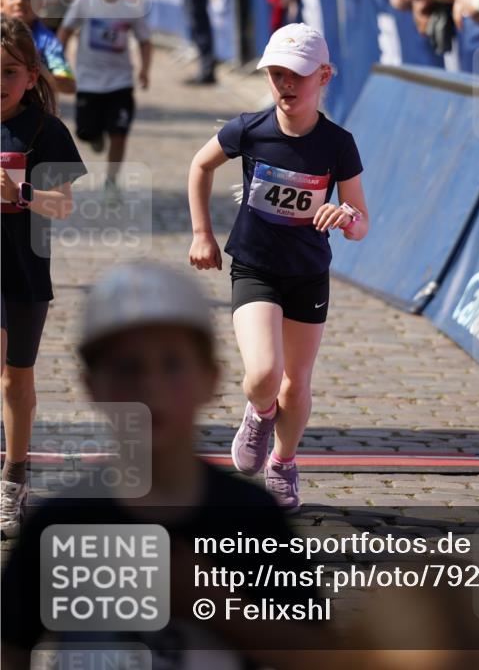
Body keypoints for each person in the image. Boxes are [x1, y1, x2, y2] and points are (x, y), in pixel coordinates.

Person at [1, 261, 332, 668]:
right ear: (92, 385)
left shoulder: (253, 519)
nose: (151, 389)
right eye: (128, 368)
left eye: (172, 364)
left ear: (210, 378)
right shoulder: (60, 524)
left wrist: (211, 604)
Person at [188, 24, 369, 511]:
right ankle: (258, 412)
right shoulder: (250, 128)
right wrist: (202, 233)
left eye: (298, 76)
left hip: (308, 273)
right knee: (265, 373)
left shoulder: (338, 144)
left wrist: (346, 218)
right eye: (277, 75)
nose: (286, 85)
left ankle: (284, 464)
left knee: (298, 380)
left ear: (324, 76)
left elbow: (360, 220)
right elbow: (200, 166)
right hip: (255, 266)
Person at [0, 16, 86, 538]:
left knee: (17, 380)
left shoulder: (45, 131)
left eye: (9, 72)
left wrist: (21, 195)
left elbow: (63, 207)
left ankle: (14, 479)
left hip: (25, 269)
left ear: (32, 76)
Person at [59, 0, 151, 204]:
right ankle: (95, 136)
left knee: (119, 132)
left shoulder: (132, 8)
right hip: (88, 82)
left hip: (120, 83)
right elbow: (64, 32)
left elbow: (145, 41)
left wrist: (144, 70)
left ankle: (111, 181)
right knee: (86, 132)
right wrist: (59, 65)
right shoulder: (84, 1)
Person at [0, 0, 75, 97]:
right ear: (1, 4)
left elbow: (69, 85)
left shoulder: (48, 42)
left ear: (41, 4)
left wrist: (37, 67)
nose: (19, 1)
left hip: (32, 113)